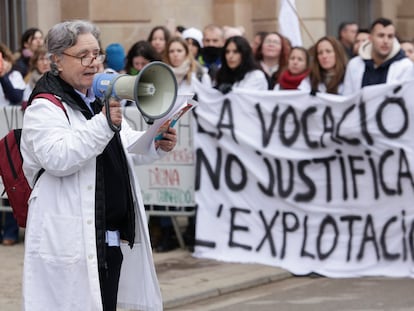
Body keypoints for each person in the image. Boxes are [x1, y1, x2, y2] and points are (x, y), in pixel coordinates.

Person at [20, 20, 177, 311]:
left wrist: (156, 142)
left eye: (97, 54)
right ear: (56, 60)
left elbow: (127, 145)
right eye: (83, 56)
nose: (94, 63)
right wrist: (104, 123)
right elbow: (58, 158)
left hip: (109, 240)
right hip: (72, 244)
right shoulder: (45, 106)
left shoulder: (97, 101)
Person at [343, 17, 414, 96]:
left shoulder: (405, 66)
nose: (385, 41)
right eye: (381, 35)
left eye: (390, 36)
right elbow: (347, 98)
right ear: (370, 38)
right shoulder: (354, 64)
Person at [0, 42, 26, 246]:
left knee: (9, 180)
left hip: (6, 137)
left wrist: (2, 76)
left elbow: (16, 97)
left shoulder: (14, 76)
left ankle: (10, 230)